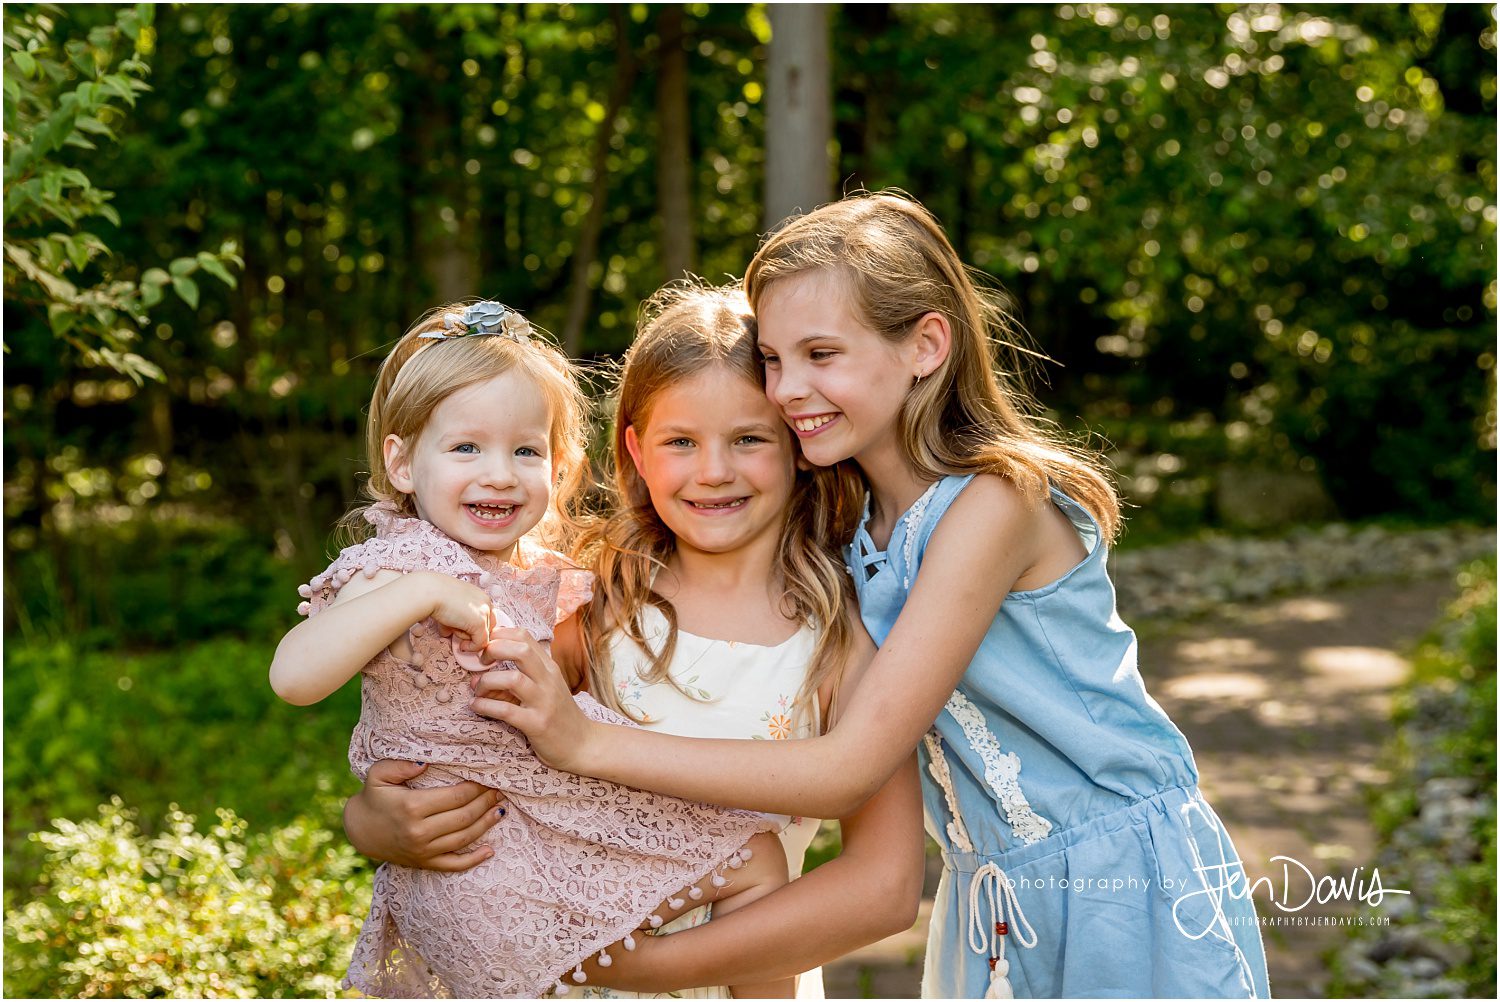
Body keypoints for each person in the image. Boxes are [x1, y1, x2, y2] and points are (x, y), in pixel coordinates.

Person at [472, 194, 1274, 999]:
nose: (788, 389)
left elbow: (848, 768)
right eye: (777, 360)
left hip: (1118, 877)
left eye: (822, 354)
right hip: (991, 892)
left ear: (926, 344)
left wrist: (586, 745)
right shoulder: (849, 527)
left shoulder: (995, 506)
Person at [343, 285, 926, 996]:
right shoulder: (586, 604)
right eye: (681, 441)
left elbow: (885, 887)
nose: (714, 471)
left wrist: (648, 968)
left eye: (749, 438)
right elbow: (470, 759)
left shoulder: (838, 643)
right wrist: (372, 822)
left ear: (798, 447)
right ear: (636, 450)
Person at [268, 300, 793, 1000]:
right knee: (755, 857)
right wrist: (423, 591)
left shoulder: (541, 578)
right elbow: (293, 677)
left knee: (755, 860)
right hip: (480, 869)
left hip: (520, 848)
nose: (499, 474)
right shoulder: (398, 565)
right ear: (400, 462)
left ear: (560, 464)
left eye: (525, 450)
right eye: (465, 448)